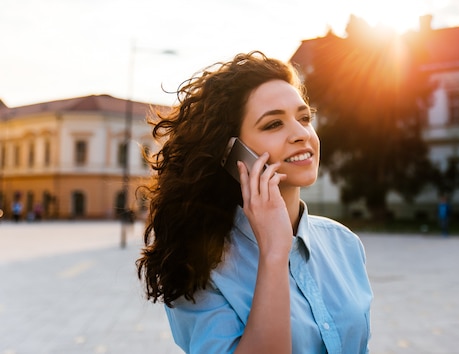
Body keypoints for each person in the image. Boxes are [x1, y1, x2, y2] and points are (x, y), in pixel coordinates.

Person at [136, 51, 373, 354]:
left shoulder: (345, 245)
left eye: (304, 118)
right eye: (274, 124)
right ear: (232, 153)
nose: (301, 134)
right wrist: (274, 253)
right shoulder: (199, 264)